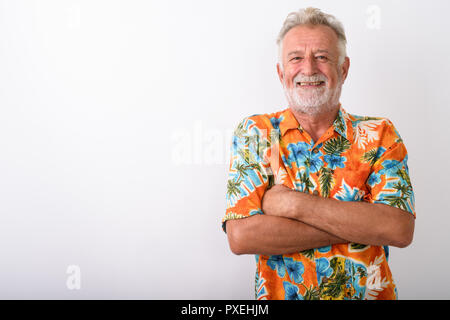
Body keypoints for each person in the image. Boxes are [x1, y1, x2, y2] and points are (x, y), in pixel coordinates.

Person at [222, 7, 415, 300]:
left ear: (344, 69)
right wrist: (362, 225)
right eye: (296, 57)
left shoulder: (380, 134)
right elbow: (242, 236)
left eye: (322, 57)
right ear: (281, 72)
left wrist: (293, 205)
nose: (309, 69)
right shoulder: (256, 133)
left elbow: (398, 228)